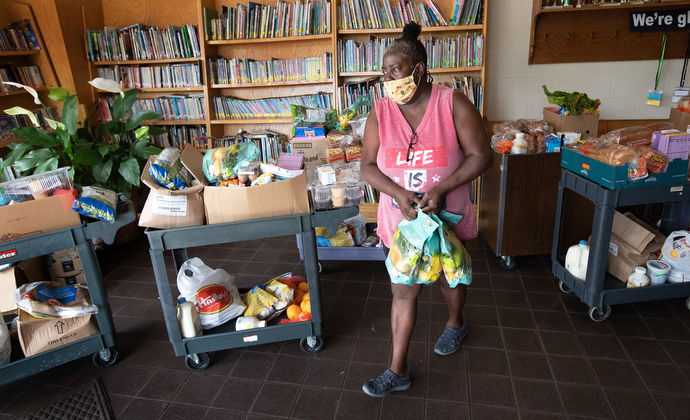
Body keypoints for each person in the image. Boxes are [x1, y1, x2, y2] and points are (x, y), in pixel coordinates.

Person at [360, 22, 493, 398]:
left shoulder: (453, 103)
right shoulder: (381, 112)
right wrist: (398, 193)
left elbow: (483, 157)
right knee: (403, 291)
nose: (387, 79)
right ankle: (396, 370)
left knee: (449, 280)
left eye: (394, 71)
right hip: (402, 222)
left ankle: (456, 322)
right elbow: (367, 166)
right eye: (384, 72)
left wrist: (443, 186)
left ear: (418, 70)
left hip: (446, 218)